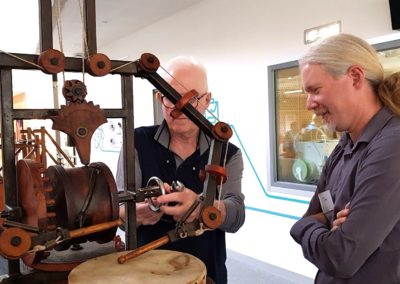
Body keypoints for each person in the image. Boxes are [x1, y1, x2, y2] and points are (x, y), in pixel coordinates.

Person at [116, 56, 245, 284]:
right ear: (159, 97)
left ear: (207, 100)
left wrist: (202, 208)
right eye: (171, 97)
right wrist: (138, 214)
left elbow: (236, 215)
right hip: (144, 274)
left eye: (191, 98)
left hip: (206, 273)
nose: (180, 108)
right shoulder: (136, 142)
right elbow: (119, 211)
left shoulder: (228, 153)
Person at [290, 33, 400, 283]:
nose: (308, 104)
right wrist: (325, 223)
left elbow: (340, 256)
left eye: (315, 90)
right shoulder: (345, 145)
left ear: (355, 77)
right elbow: (313, 214)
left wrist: (306, 226)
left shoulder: (393, 145)